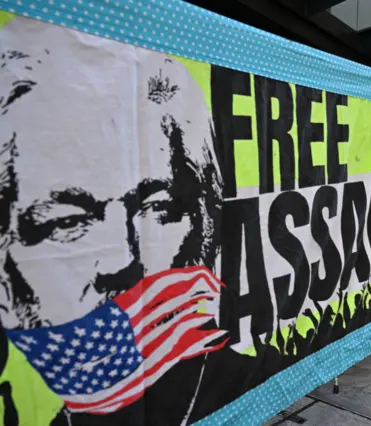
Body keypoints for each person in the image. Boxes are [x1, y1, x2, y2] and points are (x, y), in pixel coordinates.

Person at [0, 18, 258, 426]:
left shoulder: (249, 389)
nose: (121, 259)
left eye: (157, 207)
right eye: (68, 222)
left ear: (208, 229)